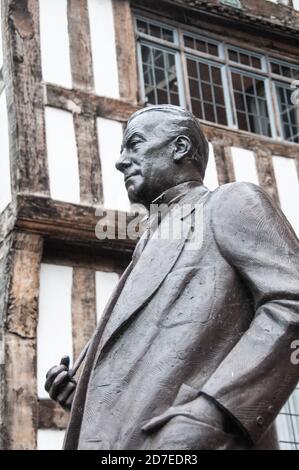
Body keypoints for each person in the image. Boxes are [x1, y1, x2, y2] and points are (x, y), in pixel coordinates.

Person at [45, 105, 299, 450]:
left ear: (179, 148)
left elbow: (293, 301)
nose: (121, 161)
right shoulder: (146, 245)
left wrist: (213, 411)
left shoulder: (228, 203)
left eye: (133, 144)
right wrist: (83, 396)